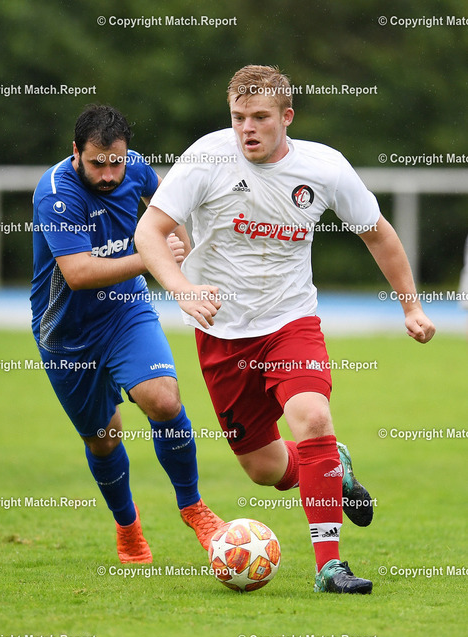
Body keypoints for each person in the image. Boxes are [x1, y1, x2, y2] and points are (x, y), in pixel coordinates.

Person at [135, 65, 436, 593]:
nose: (246, 128)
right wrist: (181, 288)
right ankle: (332, 466)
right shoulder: (207, 157)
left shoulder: (324, 167)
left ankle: (330, 567)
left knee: (313, 418)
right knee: (263, 468)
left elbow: (378, 235)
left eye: (259, 117)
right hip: (223, 335)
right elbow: (150, 231)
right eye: (238, 117)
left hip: (291, 322)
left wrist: (411, 307)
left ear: (287, 117)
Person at [30, 104, 223, 564]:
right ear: (75, 152)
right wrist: (153, 257)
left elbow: (170, 214)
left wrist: (187, 261)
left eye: (115, 162)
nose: (109, 174)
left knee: (164, 399)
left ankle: (194, 508)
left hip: (125, 311)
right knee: (104, 437)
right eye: (97, 163)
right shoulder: (56, 194)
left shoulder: (137, 169)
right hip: (66, 335)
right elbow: (78, 273)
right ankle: (128, 526)